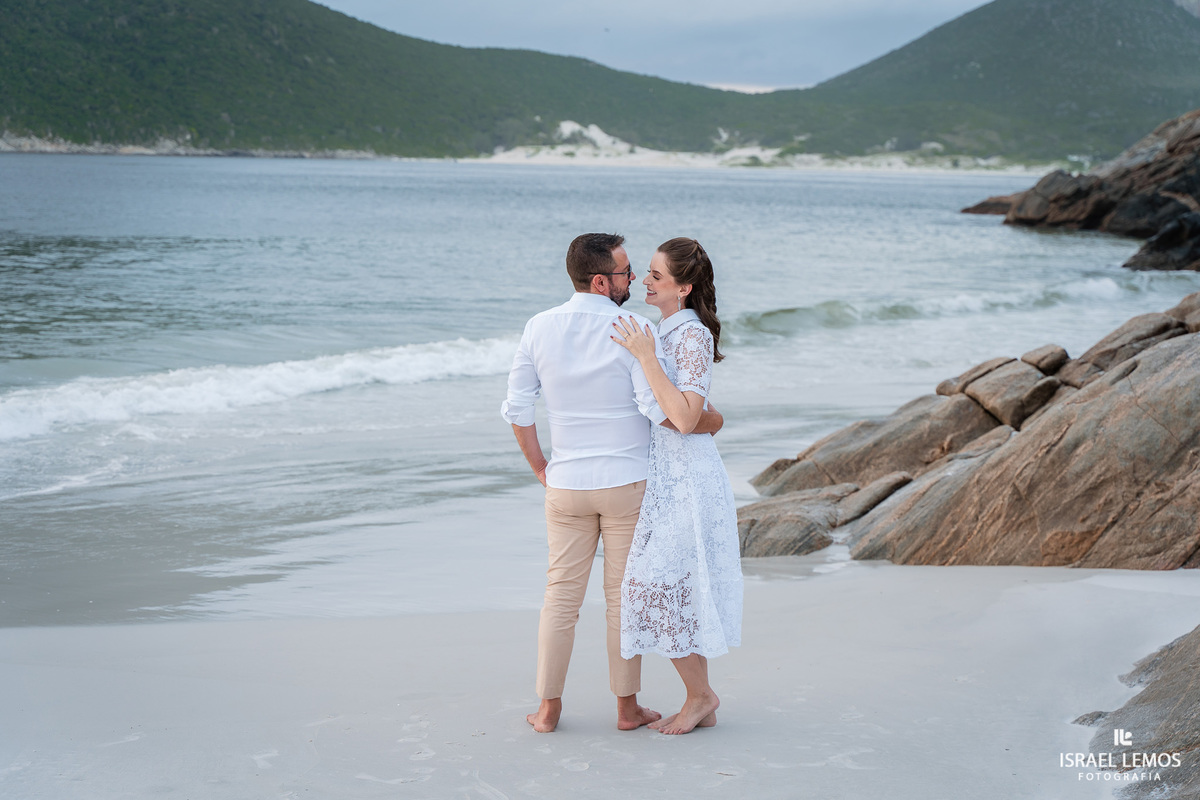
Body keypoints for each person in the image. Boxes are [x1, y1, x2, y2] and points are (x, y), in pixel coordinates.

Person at [501, 233, 724, 733]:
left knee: (560, 597)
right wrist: (709, 421)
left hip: (566, 484)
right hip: (628, 484)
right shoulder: (634, 328)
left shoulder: (538, 327)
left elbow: (517, 408)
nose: (634, 280)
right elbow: (658, 410)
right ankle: (626, 709)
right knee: (621, 598)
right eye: (626, 272)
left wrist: (541, 466)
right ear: (602, 280)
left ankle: (547, 710)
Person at [609, 236, 744, 735]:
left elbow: (686, 417)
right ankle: (701, 700)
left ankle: (701, 695)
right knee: (677, 586)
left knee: (654, 586)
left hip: (688, 479)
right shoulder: (666, 331)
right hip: (669, 475)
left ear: (683, 288)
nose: (645, 280)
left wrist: (645, 356)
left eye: (656, 276)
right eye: (646, 272)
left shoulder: (689, 337)